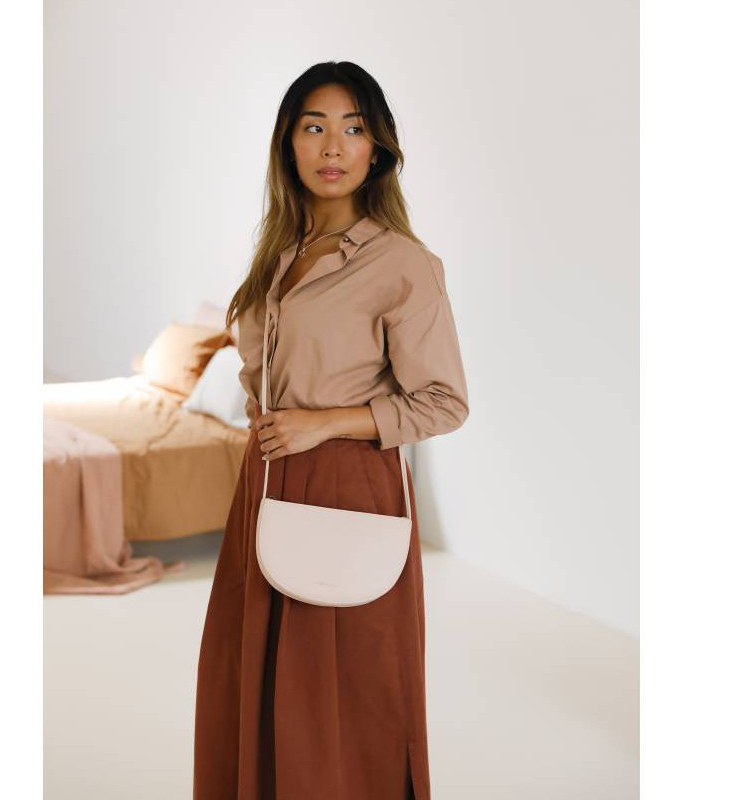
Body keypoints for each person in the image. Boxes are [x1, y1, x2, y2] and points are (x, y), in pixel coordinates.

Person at [194, 60, 469, 800]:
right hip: (266, 476)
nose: (333, 146)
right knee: (251, 674)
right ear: (288, 143)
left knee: (342, 690)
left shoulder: (404, 264)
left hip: (348, 482)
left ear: (378, 148)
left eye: (353, 128)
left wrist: (325, 424)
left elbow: (444, 402)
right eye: (314, 127)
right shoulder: (278, 254)